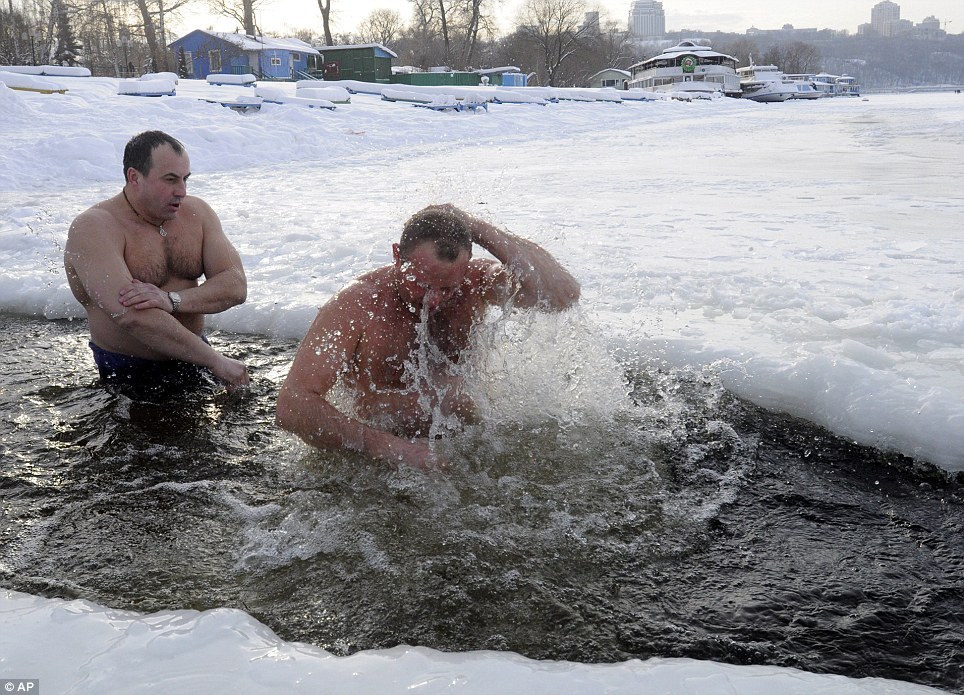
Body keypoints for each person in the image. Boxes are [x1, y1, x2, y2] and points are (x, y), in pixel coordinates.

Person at [276, 204, 580, 469]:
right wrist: (390, 449)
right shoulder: (358, 304)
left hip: (468, 442)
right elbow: (292, 405)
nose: (432, 300)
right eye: (421, 283)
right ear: (397, 256)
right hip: (377, 457)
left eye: (447, 288)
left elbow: (562, 295)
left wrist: (475, 227)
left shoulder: (475, 283)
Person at [64, 130, 249, 396]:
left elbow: (235, 285)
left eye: (185, 179)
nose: (182, 191)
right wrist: (215, 361)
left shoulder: (197, 214)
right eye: (170, 180)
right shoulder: (94, 227)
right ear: (134, 177)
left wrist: (171, 300)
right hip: (128, 375)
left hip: (196, 357)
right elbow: (131, 316)